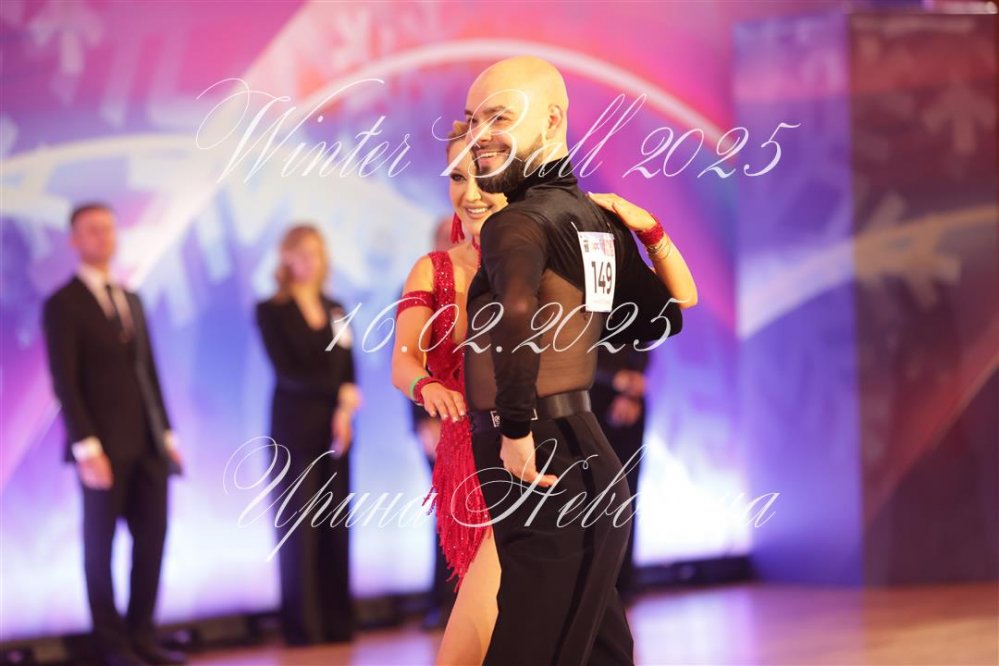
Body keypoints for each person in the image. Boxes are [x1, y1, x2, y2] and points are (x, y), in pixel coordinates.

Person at [462, 56, 697, 666]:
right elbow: (664, 316)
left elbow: (514, 315)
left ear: (552, 120)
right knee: (599, 647)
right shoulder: (594, 220)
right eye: (472, 119)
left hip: (540, 457)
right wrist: (653, 234)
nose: (479, 134)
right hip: (582, 455)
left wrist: (515, 429)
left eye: (499, 117)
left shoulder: (517, 222)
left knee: (531, 648)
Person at [41, 203, 186, 666]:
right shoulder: (63, 304)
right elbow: (65, 381)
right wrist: (86, 446)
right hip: (102, 447)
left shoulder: (131, 298)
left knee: (152, 539)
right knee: (99, 546)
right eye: (92, 230)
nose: (103, 236)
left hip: (148, 443)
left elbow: (149, 373)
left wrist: (166, 435)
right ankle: (112, 643)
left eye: (108, 228)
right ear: (74, 240)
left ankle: (142, 635)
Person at [255, 224, 361, 646]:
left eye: (316, 252)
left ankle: (337, 623)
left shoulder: (336, 308)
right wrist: (338, 393)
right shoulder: (271, 310)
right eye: (300, 253)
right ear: (285, 258)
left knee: (336, 525)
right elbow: (288, 372)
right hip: (294, 429)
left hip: (337, 430)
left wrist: (345, 407)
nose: (309, 261)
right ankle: (303, 627)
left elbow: (349, 366)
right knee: (299, 529)